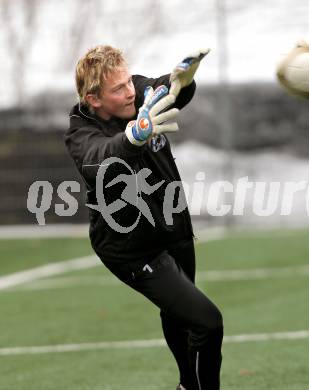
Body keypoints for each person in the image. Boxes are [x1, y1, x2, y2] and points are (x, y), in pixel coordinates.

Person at [64, 45, 223, 390]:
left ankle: (186, 385)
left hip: (171, 225)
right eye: (118, 89)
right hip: (131, 246)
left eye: (128, 81)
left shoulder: (135, 90)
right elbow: (99, 159)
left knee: (179, 313)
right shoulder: (81, 132)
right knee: (208, 323)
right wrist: (134, 136)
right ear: (94, 99)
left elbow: (167, 90)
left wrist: (183, 82)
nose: (130, 91)